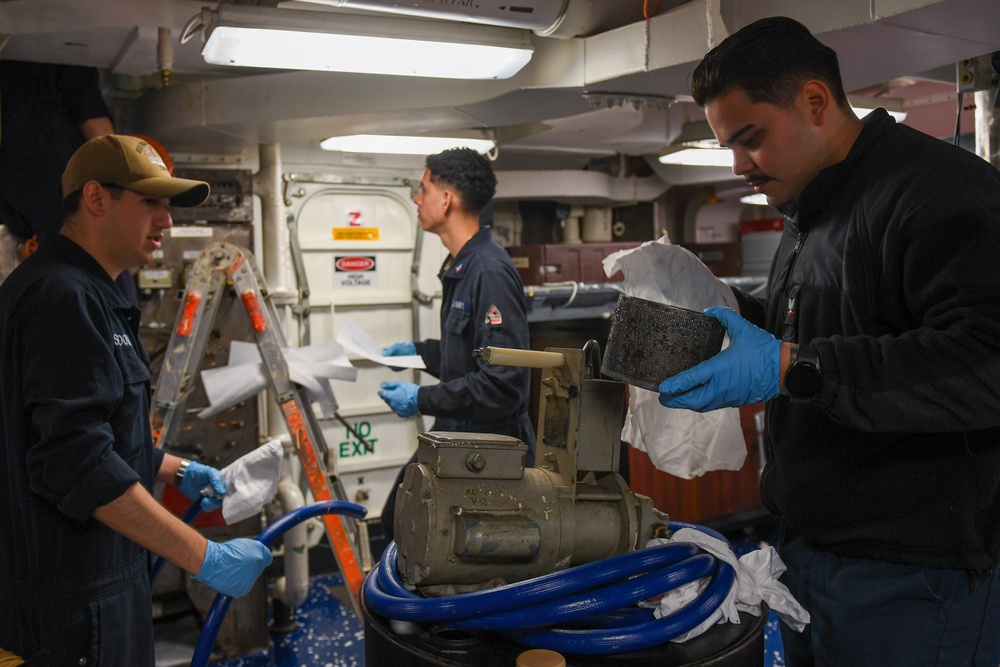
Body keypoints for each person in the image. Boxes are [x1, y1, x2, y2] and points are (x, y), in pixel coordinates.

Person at [655, 17, 1000, 666]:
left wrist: (794, 365)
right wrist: (721, 312)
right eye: (728, 145)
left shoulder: (937, 193)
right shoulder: (811, 211)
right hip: (812, 555)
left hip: (917, 580)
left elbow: (986, 362)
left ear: (815, 102)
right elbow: (821, 327)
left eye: (749, 138)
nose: (738, 165)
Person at [0, 135, 272, 665]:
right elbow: (76, 464)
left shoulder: (76, 291)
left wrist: (173, 468)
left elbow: (73, 436)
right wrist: (205, 557)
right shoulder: (65, 298)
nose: (167, 222)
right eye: (151, 202)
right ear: (97, 199)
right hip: (75, 609)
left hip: (80, 592)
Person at [378, 147, 535, 541]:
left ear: (446, 199)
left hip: (487, 447)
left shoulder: (488, 270)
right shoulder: (462, 265)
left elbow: (504, 384)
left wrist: (422, 398)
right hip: (457, 434)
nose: (416, 198)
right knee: (394, 521)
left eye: (423, 188)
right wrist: (418, 352)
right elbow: (471, 353)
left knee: (408, 530)